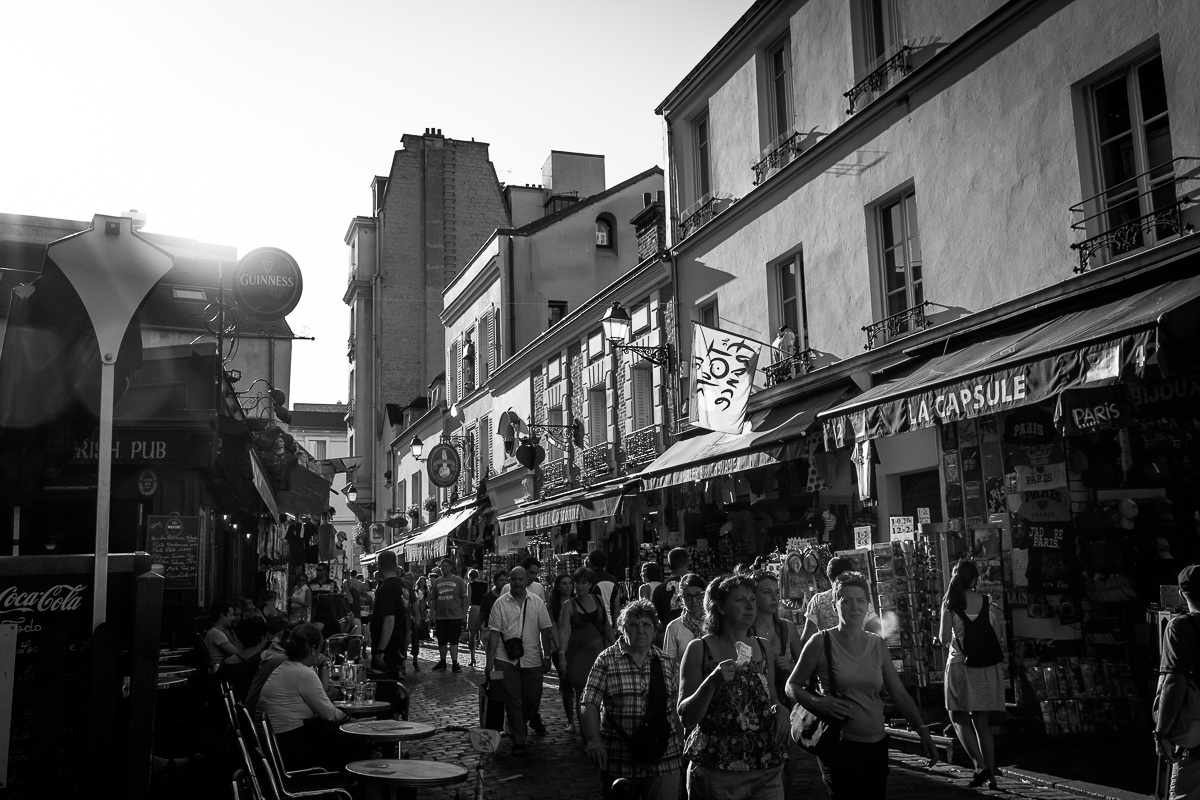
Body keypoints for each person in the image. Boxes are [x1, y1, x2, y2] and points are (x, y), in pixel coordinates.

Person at [786, 572, 938, 798]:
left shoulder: (877, 644)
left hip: (877, 744)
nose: (854, 607)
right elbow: (792, 686)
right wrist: (819, 703)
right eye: (846, 600)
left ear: (867, 606)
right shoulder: (820, 642)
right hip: (839, 745)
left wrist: (922, 730)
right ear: (835, 605)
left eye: (860, 600)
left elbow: (898, 693)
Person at [679, 574, 790, 800]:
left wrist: (780, 709)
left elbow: (771, 698)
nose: (750, 606)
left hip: (764, 765)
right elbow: (686, 717)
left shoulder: (763, 647)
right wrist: (712, 682)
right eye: (740, 600)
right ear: (720, 607)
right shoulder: (700, 649)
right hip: (717, 769)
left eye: (752, 599)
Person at [580, 599, 685, 799]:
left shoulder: (664, 661)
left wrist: (682, 742)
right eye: (633, 625)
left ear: (654, 629)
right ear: (622, 629)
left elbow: (674, 706)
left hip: (663, 757)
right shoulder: (606, 660)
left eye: (646, 624)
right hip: (621, 758)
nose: (641, 630)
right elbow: (589, 702)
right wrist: (593, 740)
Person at [938, 559, 1005, 790]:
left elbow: (944, 638)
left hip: (960, 665)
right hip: (985, 668)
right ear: (975, 579)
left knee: (957, 717)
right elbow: (997, 636)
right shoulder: (987, 602)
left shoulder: (950, 603)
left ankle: (980, 766)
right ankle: (992, 777)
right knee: (982, 722)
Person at [258, 623, 357, 772]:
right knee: (353, 744)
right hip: (288, 746)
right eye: (320, 648)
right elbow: (329, 714)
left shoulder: (286, 667)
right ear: (313, 649)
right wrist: (355, 722)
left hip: (272, 743)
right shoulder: (304, 673)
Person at [485, 566, 554, 755]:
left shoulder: (537, 602)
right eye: (513, 579)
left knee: (532, 698)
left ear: (526, 581)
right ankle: (519, 739)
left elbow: (545, 630)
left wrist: (547, 655)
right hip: (505, 658)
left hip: (531, 657)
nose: (516, 583)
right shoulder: (500, 603)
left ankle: (518, 723)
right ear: (510, 580)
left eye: (520, 579)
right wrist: (489, 661)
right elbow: (494, 633)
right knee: (512, 698)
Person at [751, 570, 805, 800]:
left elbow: (805, 669)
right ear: (754, 597)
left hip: (787, 702)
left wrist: (789, 665)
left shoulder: (786, 628)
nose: (774, 598)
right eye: (767, 592)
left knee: (788, 764)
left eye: (776, 592)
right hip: (757, 704)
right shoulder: (747, 630)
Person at [1154, 564, 1200, 799]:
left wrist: (1161, 733)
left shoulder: (1181, 626)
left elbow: (1174, 682)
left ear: (1182, 594)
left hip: (1196, 742)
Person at [558, 568, 613, 734]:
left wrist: (615, 646)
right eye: (577, 583)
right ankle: (585, 732)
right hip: (578, 656)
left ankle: (599, 728)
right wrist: (562, 654)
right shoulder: (569, 605)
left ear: (590, 584)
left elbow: (606, 626)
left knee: (602, 692)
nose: (579, 586)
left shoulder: (598, 600)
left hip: (598, 653)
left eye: (583, 583)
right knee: (582, 693)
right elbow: (563, 631)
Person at [799, 556, 880, 648]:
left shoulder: (818, 600)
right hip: (857, 651)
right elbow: (875, 632)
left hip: (828, 653)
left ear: (829, 578)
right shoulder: (860, 600)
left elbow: (805, 639)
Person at [203, 600, 267, 696]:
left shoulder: (216, 632)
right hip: (220, 675)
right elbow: (239, 654)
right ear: (222, 616)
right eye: (231, 615)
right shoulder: (217, 634)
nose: (233, 618)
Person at [370, 550, 408, 676]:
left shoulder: (386, 588)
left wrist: (381, 650)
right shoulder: (402, 585)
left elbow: (389, 620)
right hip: (398, 640)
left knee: (384, 680)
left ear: (380, 566)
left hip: (388, 645)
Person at [432, 558, 470, 672]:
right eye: (442, 566)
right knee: (442, 641)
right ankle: (443, 661)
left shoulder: (458, 580)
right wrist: (432, 614)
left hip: (455, 616)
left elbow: (465, 598)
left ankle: (454, 662)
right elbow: (434, 599)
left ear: (451, 567)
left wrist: (463, 614)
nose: (443, 568)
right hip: (440, 616)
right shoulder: (437, 581)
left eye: (446, 566)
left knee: (454, 641)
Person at [663, 573, 707, 670]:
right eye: (688, 596)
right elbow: (669, 666)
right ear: (682, 598)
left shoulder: (712, 624)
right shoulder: (674, 627)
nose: (694, 600)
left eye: (698, 595)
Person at [653, 548, 693, 628]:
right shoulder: (697, 586)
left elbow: (657, 619)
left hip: (669, 632)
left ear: (668, 565)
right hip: (694, 632)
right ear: (688, 564)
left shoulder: (659, 589)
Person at [588, 549, 622, 628]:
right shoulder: (614, 580)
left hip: (594, 625)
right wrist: (616, 626)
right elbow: (617, 606)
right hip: (611, 624)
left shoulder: (588, 580)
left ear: (590, 562)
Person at [307, 563, 343, 634]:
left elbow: (334, 596)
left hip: (328, 611)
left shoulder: (331, 583)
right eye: (317, 570)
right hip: (315, 611)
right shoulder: (311, 583)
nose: (318, 572)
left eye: (320, 570)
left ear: (325, 571)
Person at [467, 568, 488, 666]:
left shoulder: (470, 585)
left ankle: (473, 657)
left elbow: (468, 598)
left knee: (472, 634)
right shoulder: (485, 585)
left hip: (474, 608)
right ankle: (488, 657)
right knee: (483, 634)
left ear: (470, 577)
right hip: (484, 609)